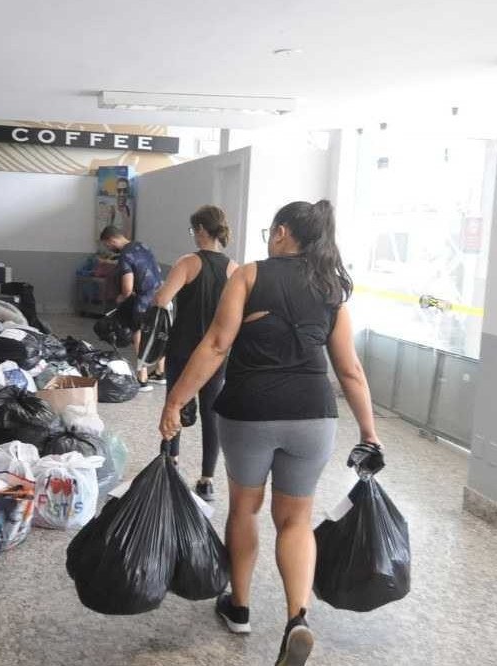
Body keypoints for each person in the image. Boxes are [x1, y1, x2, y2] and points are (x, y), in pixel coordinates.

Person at [158, 200, 382, 666]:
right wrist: (370, 431)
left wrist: (175, 400)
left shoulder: (250, 275)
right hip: (313, 416)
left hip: (250, 411)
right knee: (296, 520)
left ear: (281, 232)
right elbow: (350, 370)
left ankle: (238, 607)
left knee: (244, 506)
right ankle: (297, 618)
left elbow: (217, 344)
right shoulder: (332, 287)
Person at [151, 205, 238, 501]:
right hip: (216, 356)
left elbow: (162, 300)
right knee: (211, 415)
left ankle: (170, 467)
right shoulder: (233, 268)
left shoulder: (188, 262)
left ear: (201, 229)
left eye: (193, 230)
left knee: (174, 406)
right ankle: (206, 481)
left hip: (183, 349)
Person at [100, 225, 162, 390]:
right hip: (161, 296)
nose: (109, 248)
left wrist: (118, 299)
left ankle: (143, 378)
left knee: (138, 335)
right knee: (158, 334)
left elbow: (128, 289)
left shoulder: (125, 255)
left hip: (143, 301)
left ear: (112, 240)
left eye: (107, 245)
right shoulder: (142, 245)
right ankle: (160, 372)